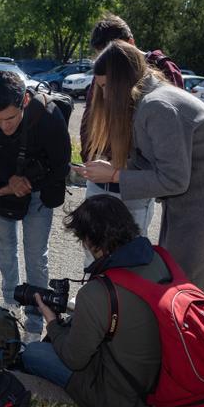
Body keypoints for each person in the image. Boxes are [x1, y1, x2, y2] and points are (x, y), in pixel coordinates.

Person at [73, 41, 204, 321]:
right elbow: (154, 162)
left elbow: (174, 179)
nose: (101, 93)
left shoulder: (158, 106)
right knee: (180, 286)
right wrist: (114, 166)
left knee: (187, 293)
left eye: (104, 87)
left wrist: (115, 175)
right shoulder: (149, 99)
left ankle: (196, 354)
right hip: (193, 204)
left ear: (120, 81)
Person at [22, 194, 162, 407]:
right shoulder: (157, 259)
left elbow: (73, 359)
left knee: (33, 353)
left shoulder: (99, 293)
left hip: (120, 393)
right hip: (155, 375)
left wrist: (53, 323)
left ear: (90, 240)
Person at [0, 71, 71, 342]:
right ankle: (10, 304)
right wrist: (10, 180)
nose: (5, 126)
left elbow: (62, 166)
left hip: (40, 187)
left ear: (25, 101)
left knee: (35, 254)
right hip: (4, 182)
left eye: (11, 118)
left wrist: (26, 181)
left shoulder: (49, 115)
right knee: (5, 246)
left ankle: (36, 319)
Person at [78, 13, 184, 244]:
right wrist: (90, 159)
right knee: (94, 248)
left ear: (131, 44)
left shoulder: (160, 75)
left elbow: (169, 137)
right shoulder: (102, 76)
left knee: (131, 250)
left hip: (132, 185)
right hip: (99, 179)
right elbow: (90, 120)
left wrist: (122, 171)